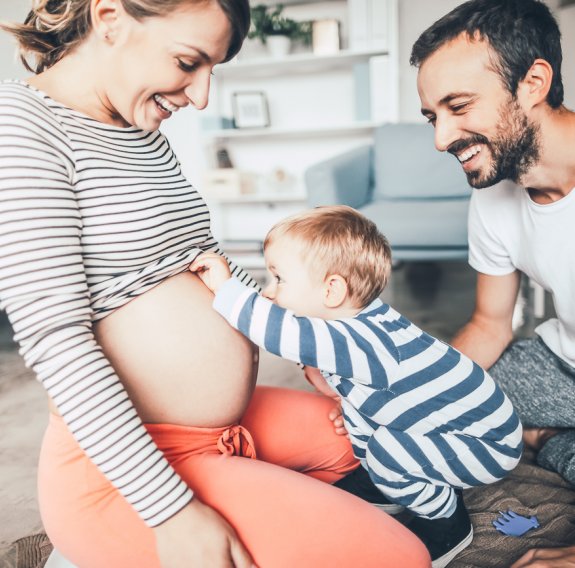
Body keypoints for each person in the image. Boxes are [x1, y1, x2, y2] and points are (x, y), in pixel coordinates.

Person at [0, 1, 432, 567]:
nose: (201, 96)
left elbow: (204, 264)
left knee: (371, 440)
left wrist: (314, 349)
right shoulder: (23, 127)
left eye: (214, 69)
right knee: (400, 557)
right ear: (109, 18)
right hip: (121, 467)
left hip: (224, 428)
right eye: (188, 62)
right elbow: (58, 343)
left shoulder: (139, 130)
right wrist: (172, 512)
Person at [189, 205, 524, 568]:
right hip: (455, 426)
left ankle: (444, 518)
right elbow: (324, 365)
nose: (270, 293)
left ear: (332, 289)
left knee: (385, 449)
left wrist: (227, 288)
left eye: (279, 279)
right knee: (357, 413)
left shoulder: (362, 341)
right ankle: (384, 481)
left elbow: (279, 333)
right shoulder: (360, 320)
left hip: (486, 443)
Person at [410, 0, 575, 565]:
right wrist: (408, 394)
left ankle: (547, 442)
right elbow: (488, 323)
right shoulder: (494, 197)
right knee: (422, 411)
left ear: (533, 82)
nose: (441, 138)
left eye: (458, 107)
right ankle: (550, 439)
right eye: (433, 116)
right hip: (560, 364)